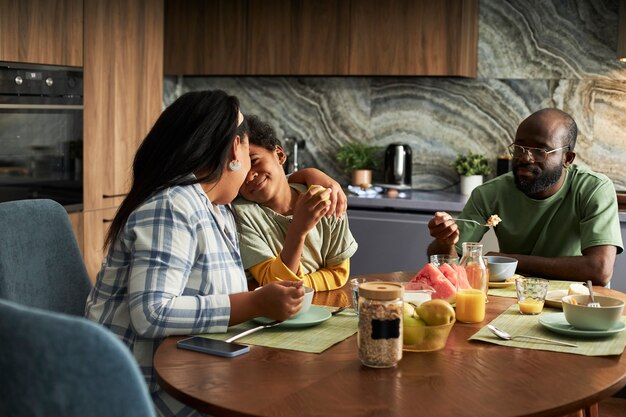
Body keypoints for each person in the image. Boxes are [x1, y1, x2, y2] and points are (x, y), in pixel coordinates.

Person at [84, 90, 347, 417]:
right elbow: (151, 313)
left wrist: (312, 176)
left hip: (195, 372)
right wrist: (255, 302)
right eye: (247, 145)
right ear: (236, 149)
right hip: (147, 389)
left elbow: (278, 183)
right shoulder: (173, 206)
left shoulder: (218, 208)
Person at [427, 108, 623, 286]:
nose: (525, 157)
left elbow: (599, 270)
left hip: (574, 301)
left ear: (567, 159)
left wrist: (509, 260)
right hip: (513, 299)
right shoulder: (489, 193)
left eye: (540, 150)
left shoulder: (593, 188)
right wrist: (445, 242)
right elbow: (451, 265)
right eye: (519, 147)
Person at [233, 115, 358, 291]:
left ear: (279, 155)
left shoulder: (326, 199)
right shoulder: (241, 215)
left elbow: (339, 273)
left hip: (327, 306)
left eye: (254, 161)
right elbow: (275, 285)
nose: (250, 175)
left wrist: (296, 285)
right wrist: (298, 230)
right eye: (241, 170)